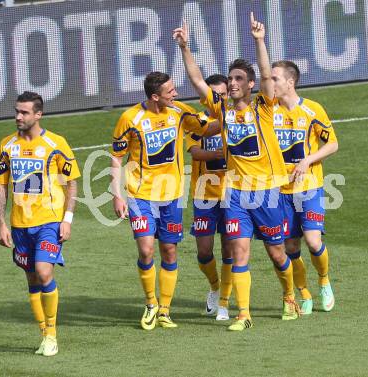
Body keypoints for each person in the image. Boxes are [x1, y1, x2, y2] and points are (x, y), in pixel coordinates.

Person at [174, 13, 299, 331]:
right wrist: (185, 49)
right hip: (236, 194)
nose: (232, 83)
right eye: (230, 79)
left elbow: (269, 79)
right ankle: (243, 314)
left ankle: (288, 295)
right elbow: (198, 82)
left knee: (276, 253)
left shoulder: (264, 107)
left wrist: (259, 40)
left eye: (239, 79)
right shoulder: (222, 109)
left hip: (267, 190)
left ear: (251, 84)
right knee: (239, 250)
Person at [110, 71, 219, 330]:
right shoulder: (130, 118)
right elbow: (116, 157)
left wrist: (234, 115)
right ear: (155, 96)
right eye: (171, 91)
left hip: (171, 196)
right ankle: (150, 304)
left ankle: (165, 310)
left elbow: (208, 127)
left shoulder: (179, 112)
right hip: (140, 195)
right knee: (146, 249)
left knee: (169, 250)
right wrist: (117, 194)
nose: (176, 94)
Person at [0, 91, 80, 356]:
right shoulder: (7, 145)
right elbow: (0, 185)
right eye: (17, 111)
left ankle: (52, 335)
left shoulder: (55, 144)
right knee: (31, 278)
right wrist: (1, 224)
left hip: (49, 222)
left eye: (24, 112)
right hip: (20, 225)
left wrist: (67, 219)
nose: (18, 116)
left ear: (38, 114)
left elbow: (72, 182)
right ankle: (43, 333)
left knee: (44, 272)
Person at [271, 60, 338, 314]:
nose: (271, 83)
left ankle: (324, 281)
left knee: (312, 241)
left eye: (275, 78)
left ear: (290, 82)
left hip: (309, 187)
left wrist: (308, 160)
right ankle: (304, 293)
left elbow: (332, 144)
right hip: (280, 192)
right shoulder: (269, 111)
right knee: (291, 247)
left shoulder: (312, 110)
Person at [185, 74, 232, 321]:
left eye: (222, 95)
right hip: (204, 194)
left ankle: (224, 299)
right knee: (204, 251)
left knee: (229, 248)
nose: (218, 99)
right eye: (212, 95)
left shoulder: (234, 118)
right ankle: (214, 286)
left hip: (232, 194)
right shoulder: (197, 121)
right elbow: (194, 152)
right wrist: (219, 154)